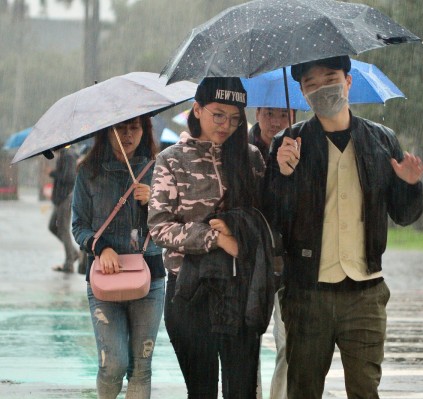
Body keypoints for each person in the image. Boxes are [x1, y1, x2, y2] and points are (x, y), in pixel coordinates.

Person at [264, 55, 423, 399]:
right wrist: (285, 175)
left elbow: (404, 215)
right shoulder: (287, 143)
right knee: (303, 389)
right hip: (307, 292)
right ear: (302, 93)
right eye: (311, 83)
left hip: (365, 292)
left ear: (348, 81)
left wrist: (409, 185)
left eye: (330, 78)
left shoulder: (381, 140)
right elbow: (273, 218)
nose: (322, 88)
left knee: (365, 389)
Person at [148, 77, 269, 399]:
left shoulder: (252, 157)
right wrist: (215, 239)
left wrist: (284, 171)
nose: (226, 125)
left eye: (234, 118)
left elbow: (267, 218)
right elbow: (159, 227)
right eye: (218, 114)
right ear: (197, 109)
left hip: (240, 288)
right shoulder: (171, 159)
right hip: (190, 289)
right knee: (201, 390)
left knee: (241, 389)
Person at [71, 115, 166, 398]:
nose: (128, 135)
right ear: (107, 132)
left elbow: (172, 222)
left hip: (149, 278)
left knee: (141, 366)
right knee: (113, 363)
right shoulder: (88, 171)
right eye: (121, 128)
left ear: (144, 130)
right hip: (105, 279)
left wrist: (155, 202)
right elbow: (78, 225)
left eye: (134, 128)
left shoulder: (158, 169)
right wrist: (101, 248)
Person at [249, 106, 296, 399]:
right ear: (257, 113)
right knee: (249, 341)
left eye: (283, 114)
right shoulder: (241, 151)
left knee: (289, 342)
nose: (276, 122)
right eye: (269, 114)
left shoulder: (301, 147)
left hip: (290, 258)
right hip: (251, 260)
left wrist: (289, 170)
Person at [49, 146, 79, 273]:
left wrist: (53, 173)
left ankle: (69, 263)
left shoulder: (68, 155)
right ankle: (73, 253)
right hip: (60, 197)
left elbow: (69, 177)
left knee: (63, 228)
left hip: (65, 197)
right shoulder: (64, 154)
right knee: (53, 226)